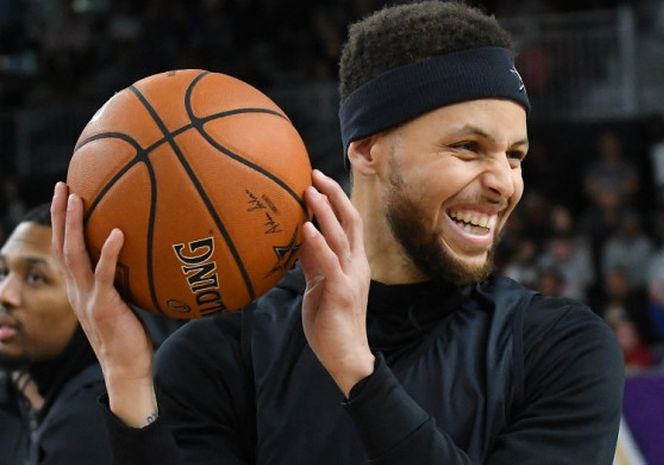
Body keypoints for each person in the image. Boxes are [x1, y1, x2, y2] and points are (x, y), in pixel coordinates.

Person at [50, 2, 624, 464]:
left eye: (515, 155)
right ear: (368, 149)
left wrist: (357, 369)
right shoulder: (227, 348)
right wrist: (127, 380)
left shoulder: (560, 347)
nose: (503, 182)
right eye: (467, 147)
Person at [0, 203, 111, 465]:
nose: (5, 294)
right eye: (3, 272)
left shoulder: (92, 421)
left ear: (88, 300)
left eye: (36, 277)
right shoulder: (19, 388)